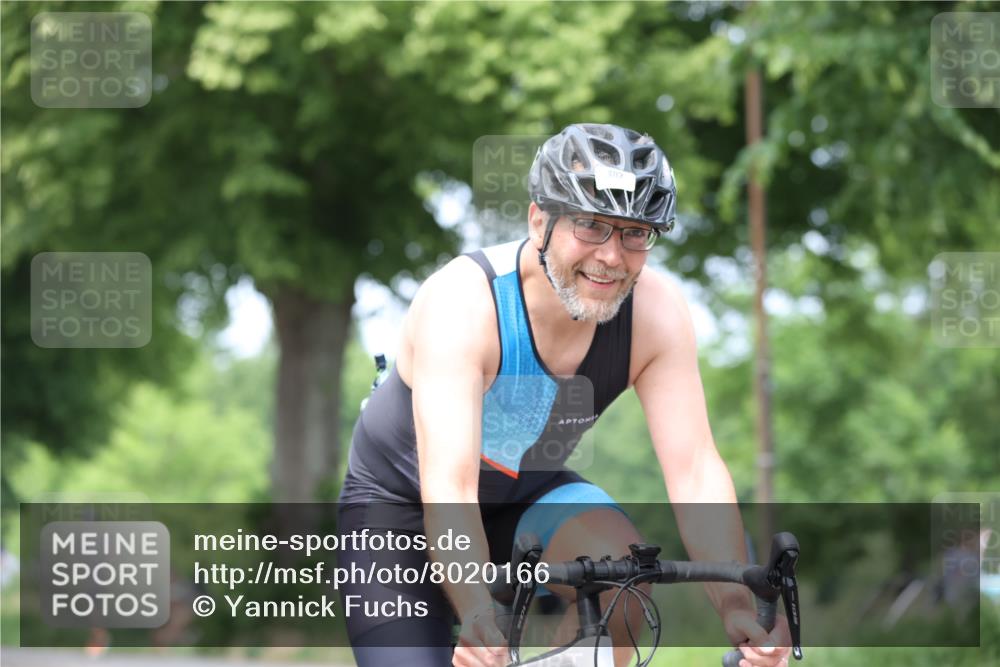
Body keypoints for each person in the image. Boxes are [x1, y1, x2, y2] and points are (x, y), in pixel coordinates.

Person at [338, 123, 792, 667]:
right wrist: (479, 611)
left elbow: (694, 468)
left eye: (634, 233)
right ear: (539, 220)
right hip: (403, 511)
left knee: (622, 575)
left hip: (528, 495)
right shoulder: (463, 302)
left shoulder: (655, 313)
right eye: (590, 225)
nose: (612, 256)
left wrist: (737, 604)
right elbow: (450, 488)